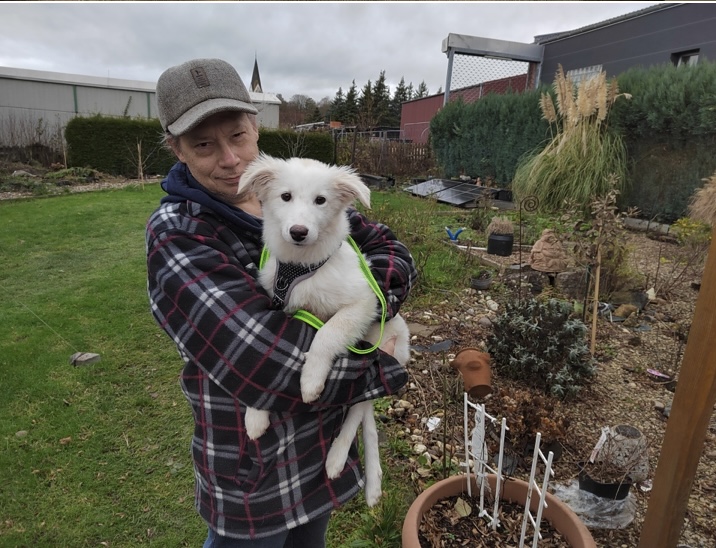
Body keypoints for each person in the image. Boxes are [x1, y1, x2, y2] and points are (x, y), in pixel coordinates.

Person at [145, 58, 417, 547]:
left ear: (254, 126)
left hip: (319, 451)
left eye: (238, 135)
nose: (231, 159)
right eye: (204, 145)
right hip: (255, 470)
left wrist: (371, 296)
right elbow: (262, 359)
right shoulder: (179, 233)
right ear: (176, 148)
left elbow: (389, 248)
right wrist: (381, 366)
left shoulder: (293, 187)